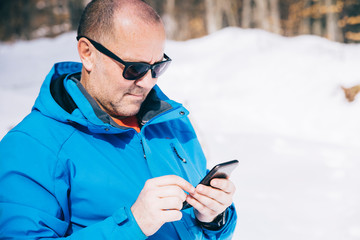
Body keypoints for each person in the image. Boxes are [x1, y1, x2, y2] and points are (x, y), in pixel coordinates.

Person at [0, 0, 237, 239]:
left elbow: (194, 229)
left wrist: (214, 219)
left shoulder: (172, 123)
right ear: (88, 53)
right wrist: (133, 224)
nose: (148, 82)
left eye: (158, 67)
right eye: (134, 68)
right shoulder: (30, 146)